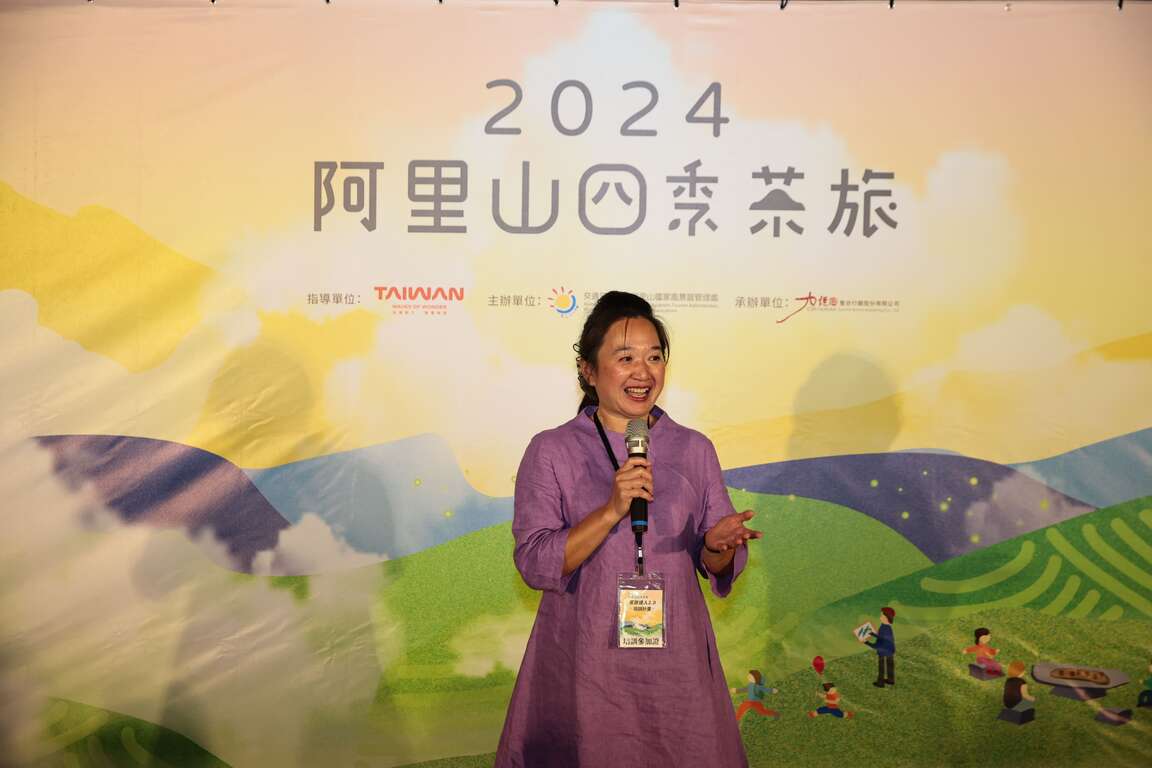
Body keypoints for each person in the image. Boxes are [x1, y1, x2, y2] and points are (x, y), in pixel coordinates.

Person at [495, 292, 762, 767]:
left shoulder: (694, 449)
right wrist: (611, 510)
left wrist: (717, 546)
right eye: (626, 358)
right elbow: (535, 563)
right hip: (585, 660)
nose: (643, 372)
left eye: (654, 357)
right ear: (588, 370)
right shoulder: (551, 450)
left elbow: (716, 562)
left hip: (676, 663)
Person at [861, 606, 896, 687]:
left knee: (881, 667)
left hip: (883, 651)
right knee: (890, 665)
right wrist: (873, 634)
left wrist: (866, 642)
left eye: (882, 615)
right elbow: (882, 637)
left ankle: (880, 683)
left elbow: (879, 644)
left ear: (886, 617)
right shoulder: (887, 627)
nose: (880, 617)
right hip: (890, 650)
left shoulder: (884, 628)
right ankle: (891, 680)